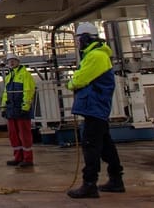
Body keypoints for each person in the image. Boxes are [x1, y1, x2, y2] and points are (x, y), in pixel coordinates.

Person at [66, 22, 125, 198]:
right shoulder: (93, 55)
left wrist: (71, 83)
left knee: (90, 146)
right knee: (106, 146)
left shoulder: (95, 56)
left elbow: (79, 79)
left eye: (78, 39)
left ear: (85, 38)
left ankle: (89, 184)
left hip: (94, 107)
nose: (77, 43)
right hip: (95, 107)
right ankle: (116, 180)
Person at [1, 52, 36, 167]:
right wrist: (3, 108)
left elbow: (29, 91)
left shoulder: (25, 74)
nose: (11, 62)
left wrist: (25, 107)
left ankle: (28, 159)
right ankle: (18, 157)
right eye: (9, 61)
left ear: (18, 62)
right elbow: (5, 94)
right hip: (11, 109)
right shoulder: (8, 77)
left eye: (13, 60)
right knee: (13, 135)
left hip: (21, 110)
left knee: (24, 135)